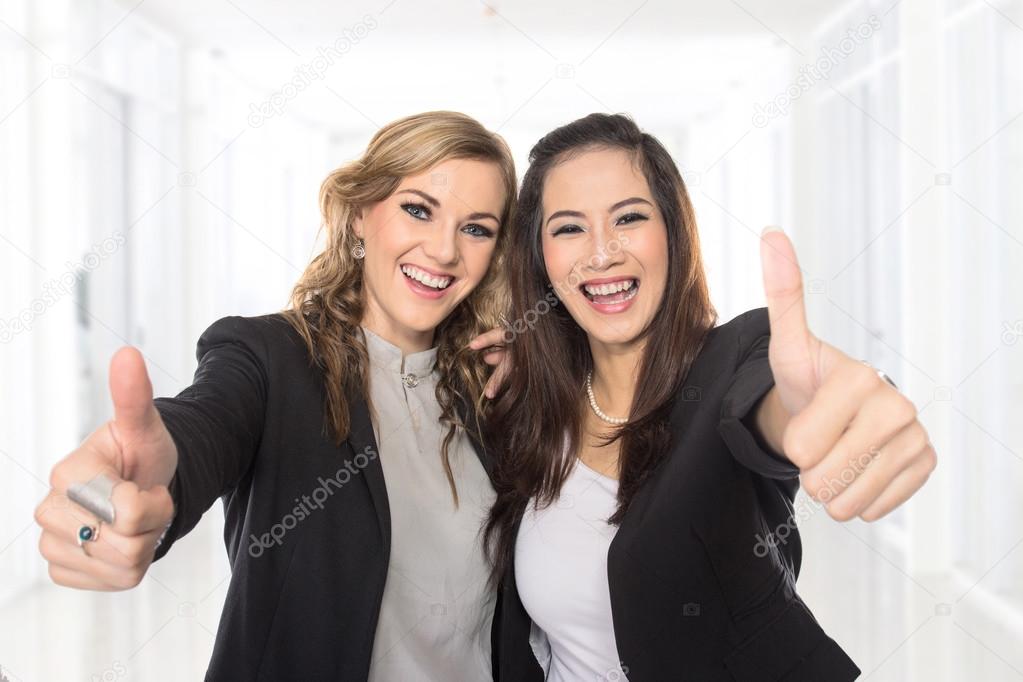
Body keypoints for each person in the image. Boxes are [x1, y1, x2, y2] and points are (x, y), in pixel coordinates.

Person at [34, 110, 521, 680]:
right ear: (362, 215)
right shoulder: (269, 357)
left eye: (476, 228)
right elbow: (203, 426)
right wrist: (135, 484)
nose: (443, 251)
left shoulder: (490, 388)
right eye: (418, 210)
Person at [480, 113, 937, 681]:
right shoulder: (533, 412)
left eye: (629, 218)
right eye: (569, 228)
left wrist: (824, 412)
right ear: (541, 258)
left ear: (673, 231)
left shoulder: (734, 361)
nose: (602, 254)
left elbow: (768, 405)